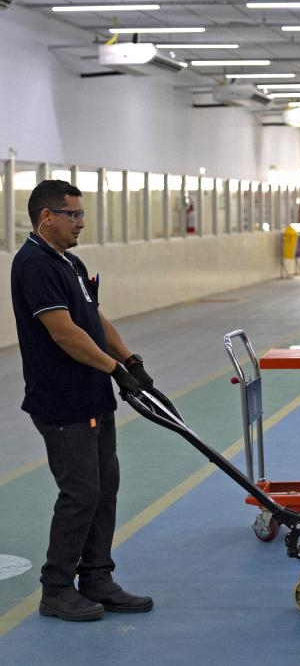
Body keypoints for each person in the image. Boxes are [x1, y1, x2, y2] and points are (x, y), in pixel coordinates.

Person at [11, 179, 156, 622]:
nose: (80, 222)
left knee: (104, 488)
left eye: (81, 214)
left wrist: (129, 359)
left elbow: (92, 317)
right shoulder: (35, 265)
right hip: (62, 401)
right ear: (46, 217)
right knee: (80, 493)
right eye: (72, 214)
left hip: (93, 396)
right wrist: (114, 370)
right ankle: (56, 589)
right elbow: (64, 333)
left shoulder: (69, 261)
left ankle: (97, 577)